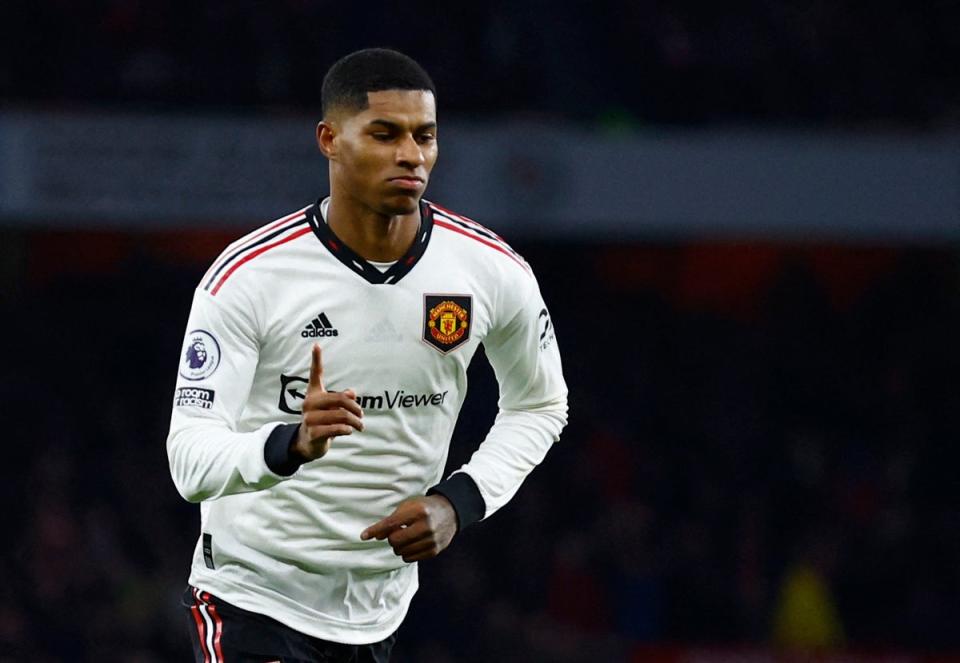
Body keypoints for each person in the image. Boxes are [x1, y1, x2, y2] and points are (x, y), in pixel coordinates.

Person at [167, 47, 568, 662]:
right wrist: (290, 442)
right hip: (253, 599)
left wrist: (458, 502)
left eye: (424, 136)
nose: (411, 155)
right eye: (385, 134)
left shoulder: (491, 271)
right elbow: (190, 461)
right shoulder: (249, 278)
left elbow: (540, 405)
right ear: (330, 139)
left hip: (379, 610)